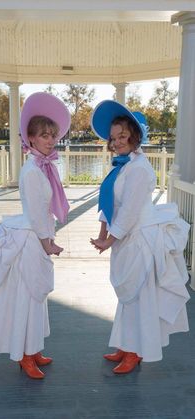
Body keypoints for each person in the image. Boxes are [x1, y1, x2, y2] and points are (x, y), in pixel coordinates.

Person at [0, 92, 71, 379]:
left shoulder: (45, 165)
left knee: (37, 296)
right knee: (28, 295)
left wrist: (47, 239)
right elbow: (39, 213)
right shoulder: (32, 170)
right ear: (31, 138)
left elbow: (45, 210)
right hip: (31, 239)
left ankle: (35, 348)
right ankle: (24, 356)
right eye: (44, 135)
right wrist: (47, 243)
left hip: (38, 235)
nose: (50, 140)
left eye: (52, 135)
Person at [90, 100, 190, 374]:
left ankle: (136, 352)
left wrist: (110, 239)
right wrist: (103, 234)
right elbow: (109, 202)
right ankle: (124, 345)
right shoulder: (122, 167)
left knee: (136, 295)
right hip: (125, 240)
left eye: (123, 136)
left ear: (135, 135)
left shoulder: (140, 169)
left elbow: (131, 211)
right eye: (113, 137)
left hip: (139, 240)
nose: (118, 141)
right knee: (127, 296)